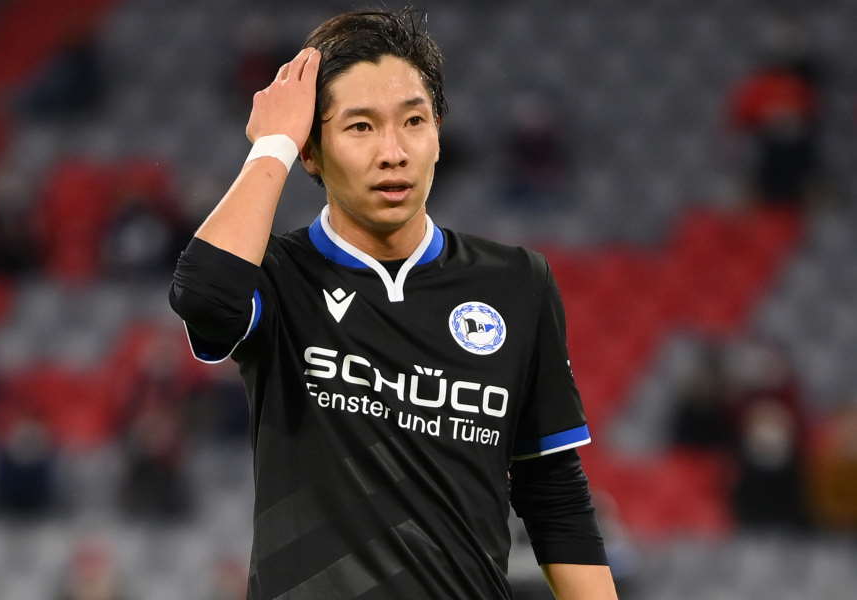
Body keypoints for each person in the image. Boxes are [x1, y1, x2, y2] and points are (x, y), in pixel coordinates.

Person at [169, 9, 616, 599]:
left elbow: (553, 492)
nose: (393, 152)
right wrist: (273, 145)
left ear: (438, 136)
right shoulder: (279, 276)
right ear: (312, 152)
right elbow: (204, 297)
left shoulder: (517, 283)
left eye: (414, 121)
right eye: (360, 127)